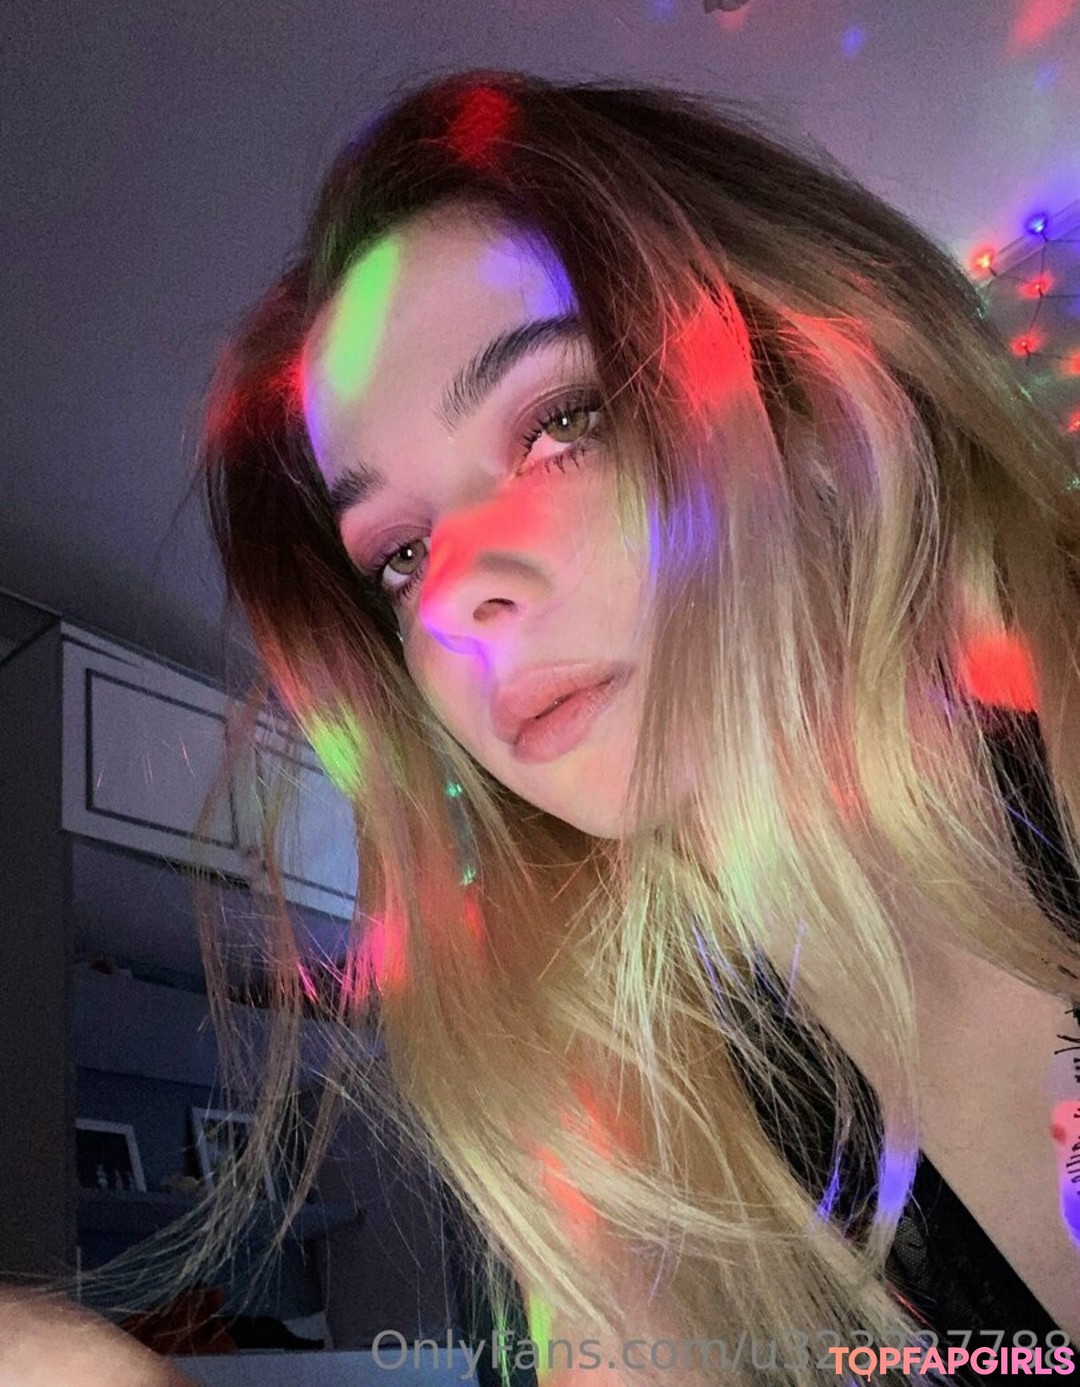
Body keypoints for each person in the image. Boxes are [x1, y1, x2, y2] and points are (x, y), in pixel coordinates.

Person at [7, 68, 1080, 1387]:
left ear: (816, 407)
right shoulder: (637, 1110)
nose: (453, 594)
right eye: (397, 553)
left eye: (566, 421)